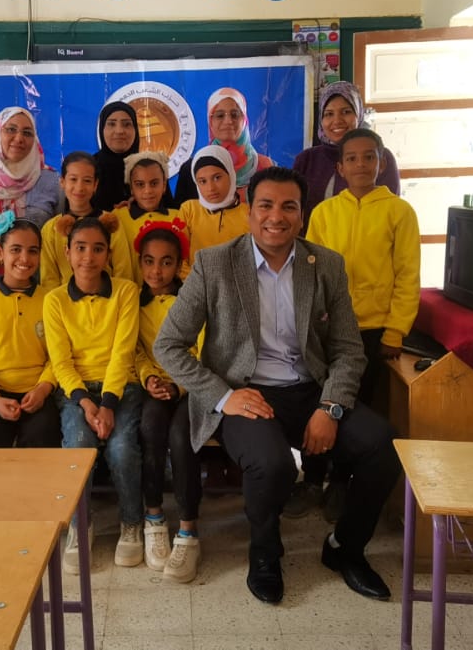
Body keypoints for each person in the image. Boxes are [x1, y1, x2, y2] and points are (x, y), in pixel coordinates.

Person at [153, 165, 402, 605]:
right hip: (245, 392)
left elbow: (348, 349)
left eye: (289, 207)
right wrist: (224, 397)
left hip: (310, 390)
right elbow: (168, 345)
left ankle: (345, 548)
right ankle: (265, 554)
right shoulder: (215, 264)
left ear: (302, 215)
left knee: (382, 446)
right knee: (273, 466)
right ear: (250, 212)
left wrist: (330, 407)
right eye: (266, 205)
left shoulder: (325, 265)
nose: (276, 217)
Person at [298, 128, 420, 521]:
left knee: (353, 409)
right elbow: (309, 271)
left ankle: (341, 482)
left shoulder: (399, 212)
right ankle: (312, 478)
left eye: (369, 157)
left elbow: (408, 275)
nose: (360, 165)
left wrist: (395, 331)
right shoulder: (324, 212)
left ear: (381, 164)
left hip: (371, 330)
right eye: (351, 158)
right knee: (318, 401)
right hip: (325, 327)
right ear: (340, 167)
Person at [44, 215, 145, 575]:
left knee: (121, 449)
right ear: (68, 253)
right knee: (77, 446)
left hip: (121, 387)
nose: (89, 257)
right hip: (77, 392)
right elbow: (60, 362)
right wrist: (88, 404)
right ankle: (79, 524)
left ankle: (132, 522)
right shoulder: (55, 300)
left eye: (98, 249)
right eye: (81, 248)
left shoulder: (125, 292)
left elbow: (123, 352)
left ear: (108, 254)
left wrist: (109, 404)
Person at [133, 219, 204, 583]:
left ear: (179, 265)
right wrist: (149, 378)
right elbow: (135, 350)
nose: (156, 271)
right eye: (149, 261)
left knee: (181, 437)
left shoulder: (192, 301)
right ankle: (154, 517)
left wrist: (179, 385)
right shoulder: (134, 302)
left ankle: (189, 529)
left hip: (192, 386)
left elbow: (204, 352)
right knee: (150, 427)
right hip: (156, 386)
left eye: (166, 262)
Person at [0, 211, 61, 449]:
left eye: (33, 251)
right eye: (15, 249)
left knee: (42, 440)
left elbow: (58, 356)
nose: (24, 258)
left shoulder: (51, 301)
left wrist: (43, 389)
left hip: (39, 391)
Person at [292, 82, 399, 224]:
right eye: (329, 114)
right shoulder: (306, 160)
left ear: (359, 114)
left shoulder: (379, 156)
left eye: (346, 112)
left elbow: (389, 212)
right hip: (312, 238)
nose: (337, 121)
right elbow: (293, 210)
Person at [40, 151, 135, 291]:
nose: (80, 187)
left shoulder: (111, 223)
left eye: (87, 181)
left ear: (95, 185)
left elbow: (123, 271)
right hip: (65, 302)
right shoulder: (51, 229)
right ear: (62, 182)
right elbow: (49, 279)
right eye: (73, 179)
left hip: (108, 300)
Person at [173, 87, 274, 203]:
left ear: (244, 120)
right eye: (220, 115)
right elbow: (182, 213)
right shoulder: (192, 169)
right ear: (210, 121)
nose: (228, 121)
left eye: (235, 114)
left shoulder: (266, 168)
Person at [0, 107, 62, 227]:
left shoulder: (50, 180)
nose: (19, 138)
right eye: (11, 130)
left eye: (27, 133)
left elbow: (60, 231)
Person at [110, 151, 184, 273]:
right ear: (131, 188)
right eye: (140, 184)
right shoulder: (117, 218)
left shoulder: (179, 217)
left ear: (164, 185)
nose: (148, 191)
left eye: (154, 183)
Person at [92, 101, 171, 213]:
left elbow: (170, 212)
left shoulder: (151, 166)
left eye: (127, 124)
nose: (119, 131)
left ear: (135, 129)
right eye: (111, 124)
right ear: (102, 129)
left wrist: (143, 206)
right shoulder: (89, 167)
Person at [178, 145, 250, 254]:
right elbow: (178, 255)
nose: (211, 188)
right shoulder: (189, 210)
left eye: (217, 178)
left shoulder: (249, 214)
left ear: (230, 174)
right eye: (203, 181)